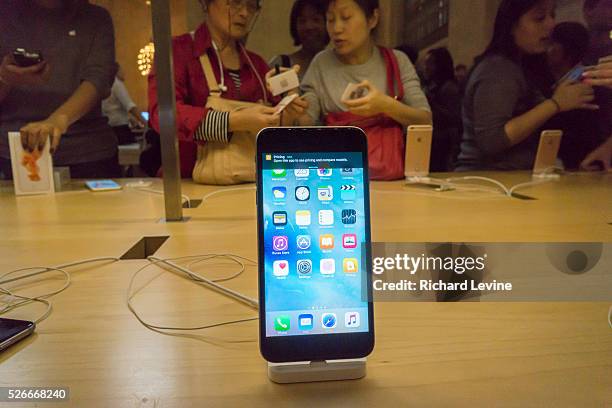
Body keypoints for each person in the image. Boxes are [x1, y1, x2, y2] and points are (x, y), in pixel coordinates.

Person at [148, 0, 307, 179]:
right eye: (235, 2)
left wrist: (290, 110)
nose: (244, 13)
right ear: (206, 3)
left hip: (251, 181)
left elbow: (276, 130)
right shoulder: (177, 51)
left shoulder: (258, 64)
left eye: (251, 6)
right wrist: (234, 121)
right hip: (187, 183)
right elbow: (163, 115)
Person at [291, 0, 431, 180]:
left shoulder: (396, 61)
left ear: (372, 18)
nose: (336, 29)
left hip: (392, 183)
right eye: (330, 19)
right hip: (336, 181)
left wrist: (385, 105)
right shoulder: (320, 64)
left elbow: (425, 121)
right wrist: (292, 98)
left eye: (346, 18)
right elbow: (305, 123)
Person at [455, 0, 597, 171]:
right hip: (488, 181)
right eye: (539, 18)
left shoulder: (525, 67)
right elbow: (492, 139)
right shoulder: (497, 69)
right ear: (511, 25)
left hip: (517, 178)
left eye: (552, 15)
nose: (551, 24)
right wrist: (555, 104)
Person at [0, 0, 119, 179]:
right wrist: (5, 78)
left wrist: (58, 120)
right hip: (13, 151)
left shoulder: (95, 17)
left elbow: (98, 79)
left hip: (89, 149)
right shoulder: (5, 14)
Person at [545, 22, 602, 169]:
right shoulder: (552, 81)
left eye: (551, 43)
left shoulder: (587, 84)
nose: (545, 49)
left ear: (568, 49)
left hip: (583, 169)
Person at [422, 47, 462, 171]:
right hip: (434, 141)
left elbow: (454, 117)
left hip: (445, 143)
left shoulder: (449, 88)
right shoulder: (432, 87)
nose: (426, 68)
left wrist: (431, 103)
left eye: (430, 63)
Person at [269, 0, 329, 79]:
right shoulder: (281, 64)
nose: (309, 26)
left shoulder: (339, 64)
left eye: (316, 20)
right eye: (302, 21)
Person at [102, 65, 146, 145]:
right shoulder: (116, 83)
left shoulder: (104, 84)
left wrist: (129, 118)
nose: (124, 73)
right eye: (122, 71)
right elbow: (129, 106)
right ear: (117, 71)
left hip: (107, 129)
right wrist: (146, 123)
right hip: (120, 130)